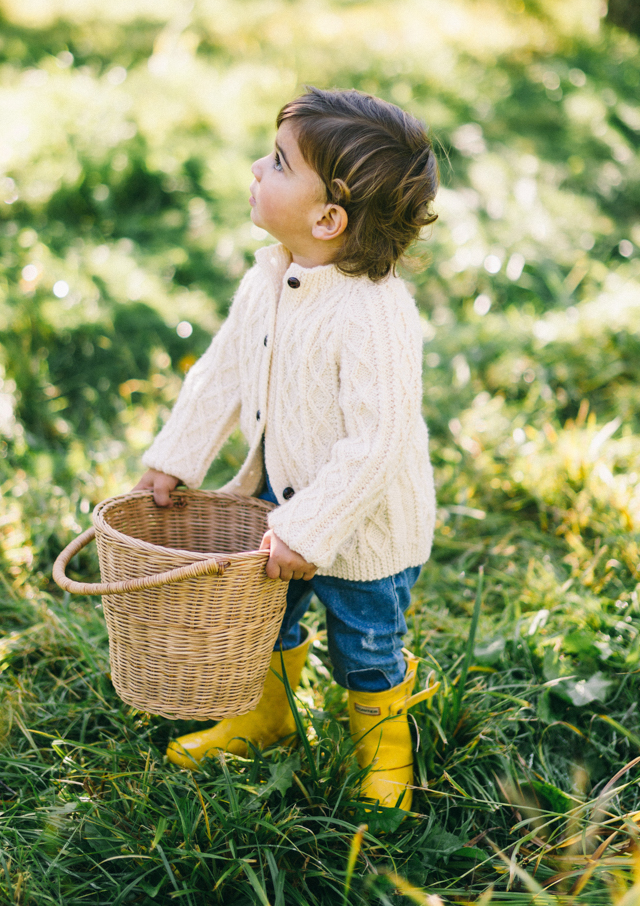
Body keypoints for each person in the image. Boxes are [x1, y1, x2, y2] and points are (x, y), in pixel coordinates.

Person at [135, 86, 438, 810]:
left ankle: (386, 753)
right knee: (263, 616)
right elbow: (224, 373)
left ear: (328, 217)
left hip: (363, 529)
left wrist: (309, 530)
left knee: (364, 645)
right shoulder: (268, 276)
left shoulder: (373, 313)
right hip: (280, 501)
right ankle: (265, 715)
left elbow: (379, 441)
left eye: (276, 162)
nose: (256, 166)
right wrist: (176, 456)